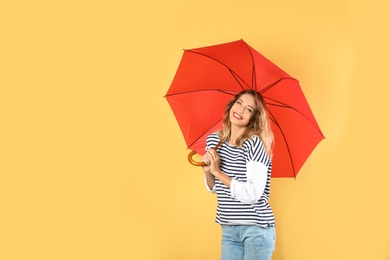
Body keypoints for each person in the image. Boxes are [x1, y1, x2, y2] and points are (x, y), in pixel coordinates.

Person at [201, 89, 276, 260]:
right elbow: (215, 188)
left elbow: (253, 193)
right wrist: (208, 172)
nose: (241, 110)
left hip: (256, 229)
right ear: (231, 106)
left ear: (254, 118)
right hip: (229, 228)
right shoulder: (214, 141)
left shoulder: (254, 144)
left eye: (249, 109)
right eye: (239, 103)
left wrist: (218, 172)